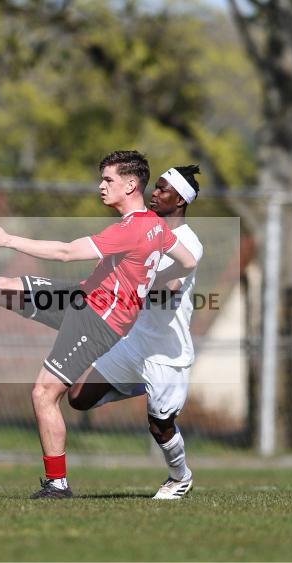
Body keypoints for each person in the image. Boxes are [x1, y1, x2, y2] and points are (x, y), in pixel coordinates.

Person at [0, 151, 198, 498]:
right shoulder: (155, 226)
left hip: (97, 321)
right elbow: (188, 262)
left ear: (131, 185)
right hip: (80, 300)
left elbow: (66, 253)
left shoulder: (135, 228)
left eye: (108, 180)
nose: (101, 186)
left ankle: (58, 485)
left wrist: (9, 240)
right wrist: (161, 282)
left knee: (43, 393)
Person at [66, 165, 203, 500]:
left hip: (166, 351)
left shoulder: (189, 243)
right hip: (134, 344)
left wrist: (130, 278)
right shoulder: (146, 227)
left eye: (163, 189)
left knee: (159, 426)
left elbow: (168, 285)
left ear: (181, 201)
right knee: (77, 397)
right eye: (155, 188)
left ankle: (180, 477)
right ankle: (142, 385)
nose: (154, 193)